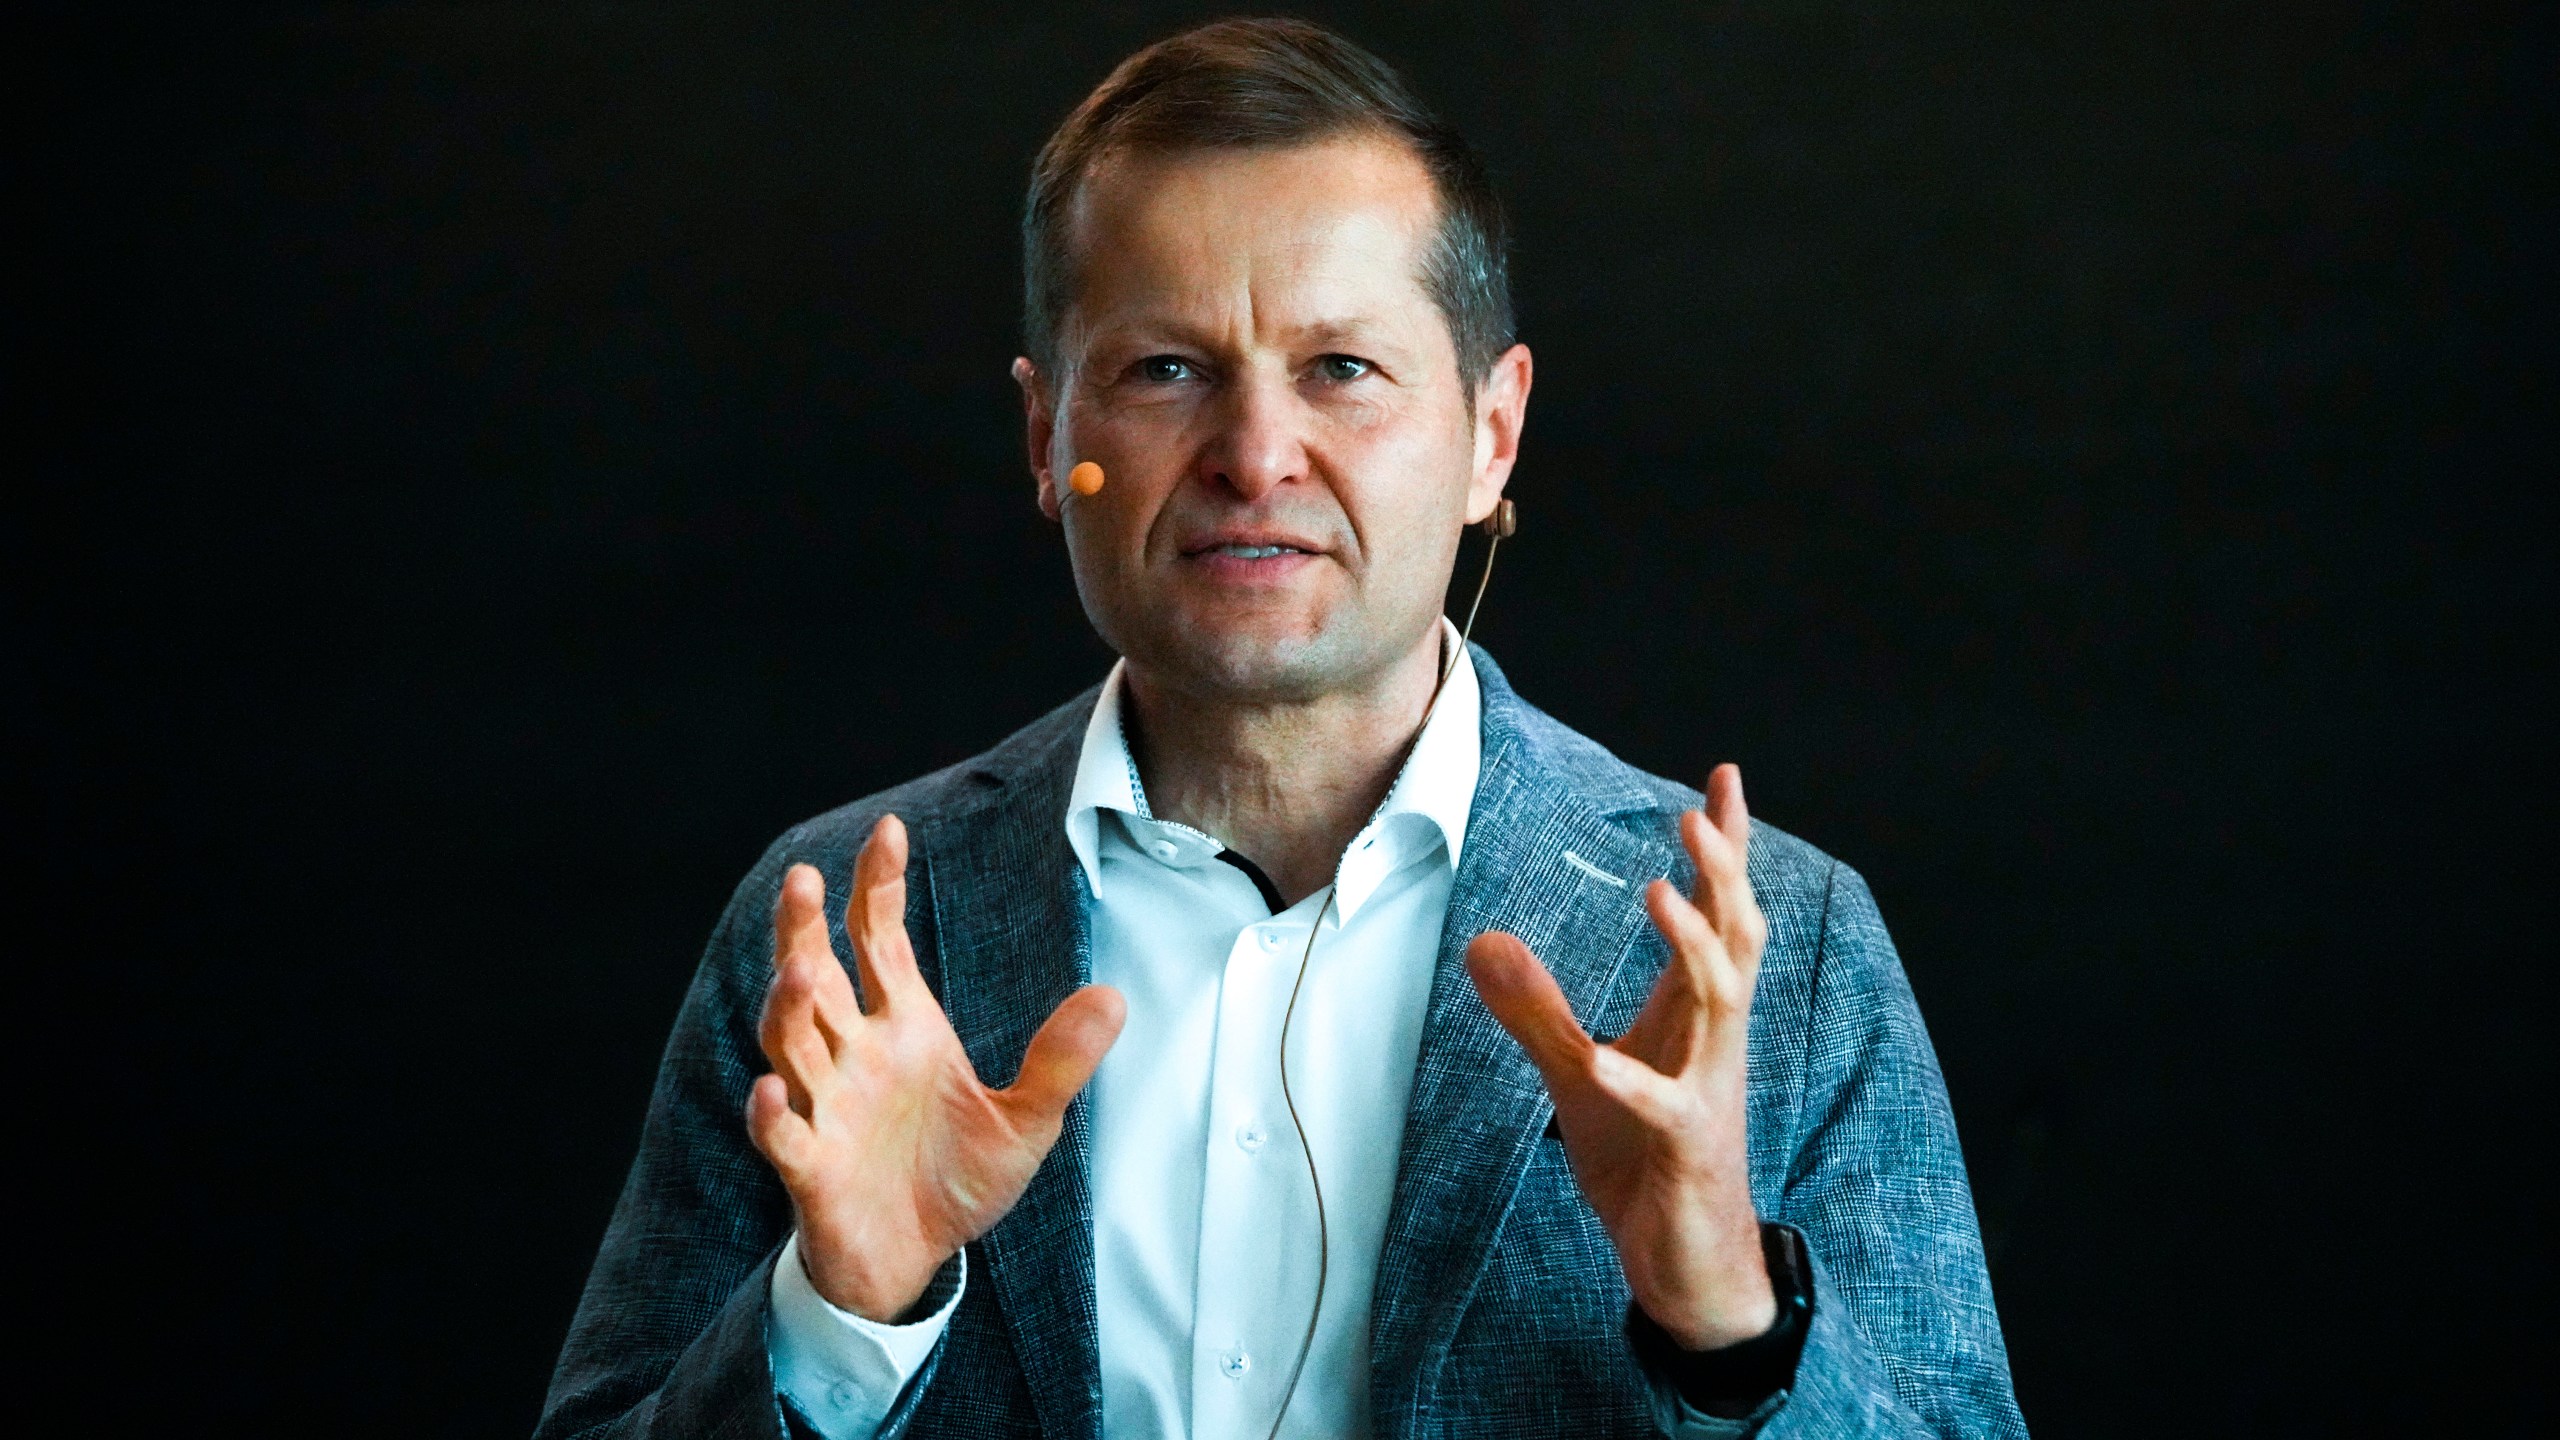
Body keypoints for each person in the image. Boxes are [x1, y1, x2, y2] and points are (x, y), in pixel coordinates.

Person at [536, 18, 2024, 1440]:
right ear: (1046, 437)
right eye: (1165, 370)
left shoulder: (1777, 946)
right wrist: (850, 1313)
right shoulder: (846, 933)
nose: (1257, 457)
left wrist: (1731, 1330)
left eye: (1343, 369)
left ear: (1490, 435)